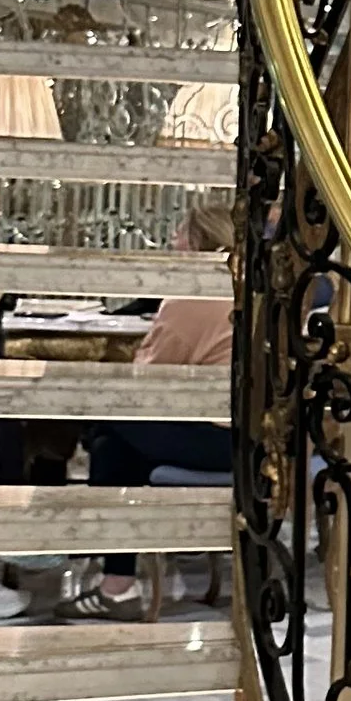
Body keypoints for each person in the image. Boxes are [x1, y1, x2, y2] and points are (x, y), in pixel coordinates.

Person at [68, 196, 235, 623]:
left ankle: (104, 568)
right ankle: (115, 584)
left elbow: (149, 377)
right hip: (262, 436)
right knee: (113, 444)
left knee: (105, 409)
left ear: (199, 241)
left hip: (218, 437)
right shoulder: (259, 284)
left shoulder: (197, 294)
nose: (174, 242)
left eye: (180, 233)